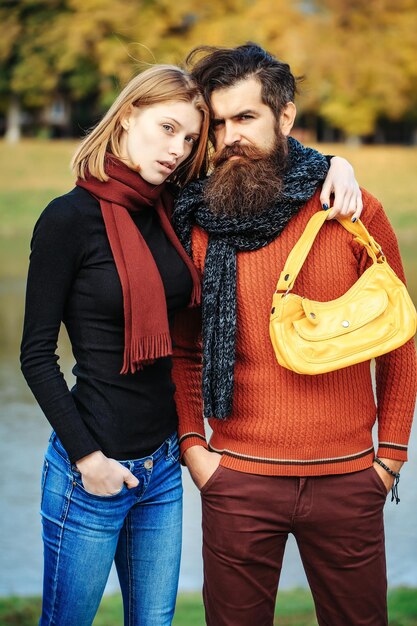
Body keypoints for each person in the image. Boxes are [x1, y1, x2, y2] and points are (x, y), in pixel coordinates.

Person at [171, 43, 417, 626]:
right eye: (220, 122)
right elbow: (185, 350)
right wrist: (194, 448)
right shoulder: (194, 219)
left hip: (349, 479)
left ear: (285, 117)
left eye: (247, 118)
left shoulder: (350, 209)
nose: (231, 136)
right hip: (237, 480)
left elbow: (401, 340)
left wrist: (390, 457)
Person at [20, 64, 210, 626]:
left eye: (190, 139)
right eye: (167, 128)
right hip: (93, 472)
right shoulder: (67, 219)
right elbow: (35, 355)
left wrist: (335, 166)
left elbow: (265, 167)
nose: (178, 149)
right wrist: (87, 458)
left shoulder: (173, 210)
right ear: (128, 115)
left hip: (163, 467)